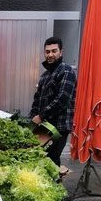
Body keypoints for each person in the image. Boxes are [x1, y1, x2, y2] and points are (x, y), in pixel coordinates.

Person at [30, 37, 77, 167]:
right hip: (45, 125)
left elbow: (62, 99)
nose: (50, 54)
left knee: (51, 159)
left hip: (59, 127)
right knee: (40, 156)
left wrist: (40, 116)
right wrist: (32, 117)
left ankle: (55, 186)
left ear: (61, 52)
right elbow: (37, 99)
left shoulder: (66, 71)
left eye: (54, 51)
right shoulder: (45, 76)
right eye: (47, 51)